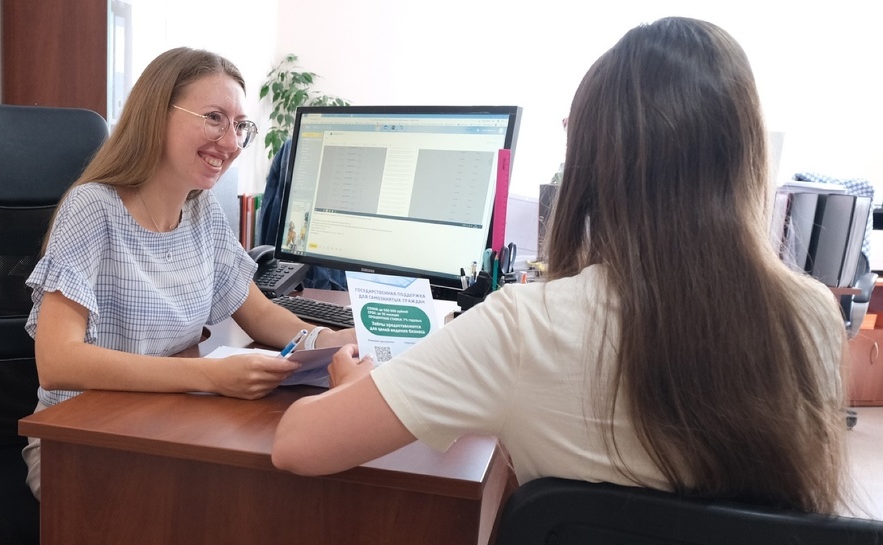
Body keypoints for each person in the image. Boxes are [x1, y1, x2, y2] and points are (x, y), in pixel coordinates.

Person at [272, 17, 851, 515]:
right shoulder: (812, 317)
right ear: (745, 155)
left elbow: (297, 445)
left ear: (594, 162)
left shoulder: (527, 327)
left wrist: (356, 379)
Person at [22, 47, 354, 500]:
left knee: (277, 488)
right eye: (215, 117)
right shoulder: (94, 208)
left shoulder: (203, 213)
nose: (232, 143)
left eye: (239, 126)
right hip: (81, 437)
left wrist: (326, 341)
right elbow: (58, 363)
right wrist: (211, 378)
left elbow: (259, 314)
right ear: (158, 115)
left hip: (169, 418)